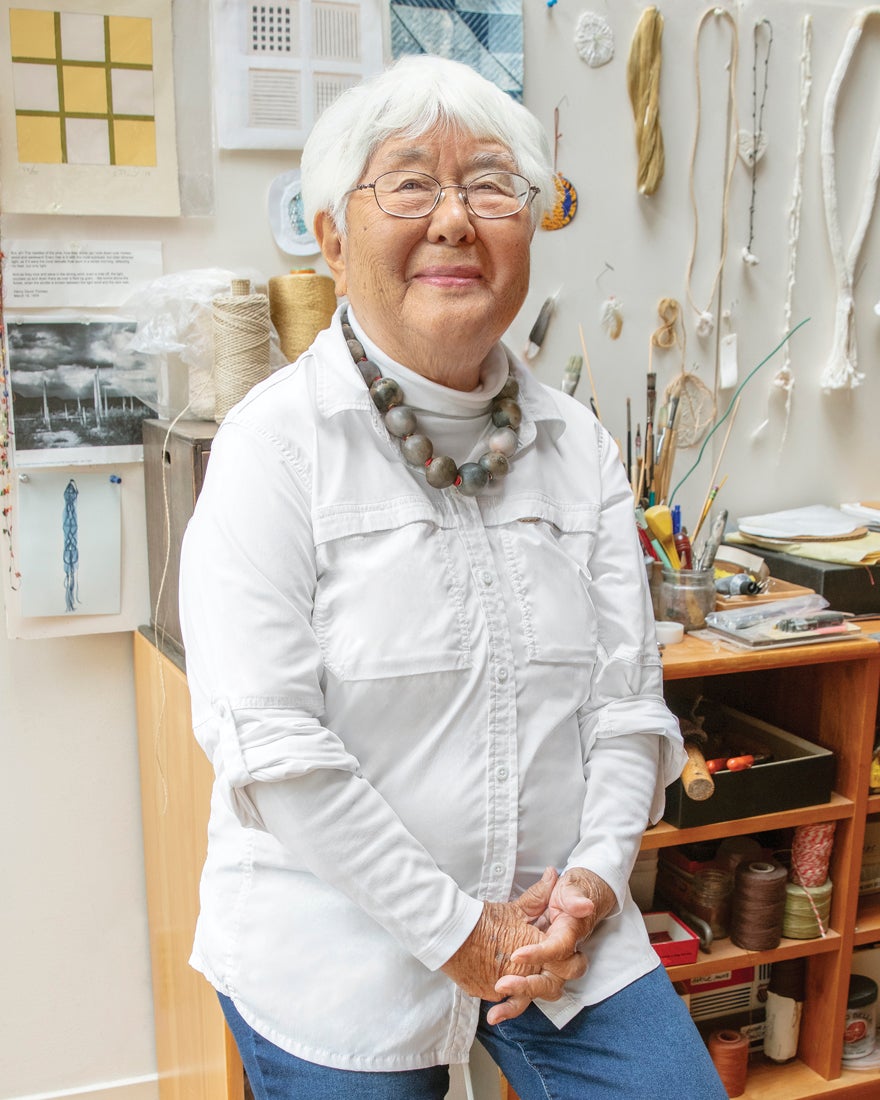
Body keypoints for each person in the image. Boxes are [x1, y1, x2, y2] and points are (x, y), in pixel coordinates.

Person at [179, 54, 726, 1100]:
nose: (453, 220)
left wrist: (597, 881)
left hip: (555, 921)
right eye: (408, 183)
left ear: (529, 229)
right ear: (334, 238)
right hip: (337, 934)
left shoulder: (577, 446)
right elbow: (277, 750)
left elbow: (625, 708)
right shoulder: (273, 449)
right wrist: (454, 929)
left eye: (489, 185)